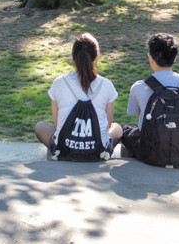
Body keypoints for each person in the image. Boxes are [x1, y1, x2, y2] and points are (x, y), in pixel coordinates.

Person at [35, 32, 126, 160]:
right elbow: (108, 124)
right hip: (97, 150)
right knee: (117, 128)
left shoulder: (59, 83)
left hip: (66, 148)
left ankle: (56, 151)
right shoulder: (106, 85)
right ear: (96, 57)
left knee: (40, 126)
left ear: (73, 57)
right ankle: (104, 152)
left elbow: (57, 123)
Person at [122, 33, 179, 166]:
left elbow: (140, 118)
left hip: (150, 153)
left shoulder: (139, 87)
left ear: (151, 59)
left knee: (127, 130)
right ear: (175, 58)